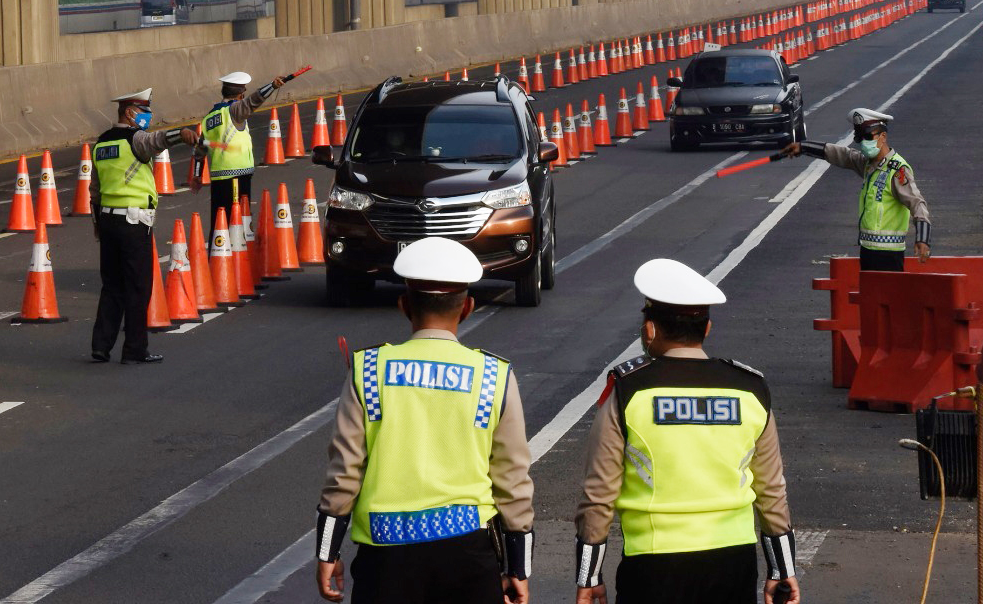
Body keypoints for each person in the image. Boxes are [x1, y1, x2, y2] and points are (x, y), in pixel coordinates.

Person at [315, 236, 533, 604]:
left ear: (404, 305)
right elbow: (512, 478)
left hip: (385, 555)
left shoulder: (369, 370)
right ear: (467, 308)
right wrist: (517, 567)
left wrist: (327, 551)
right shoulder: (493, 375)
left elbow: (344, 471)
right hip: (468, 554)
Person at [574, 258, 800, 604]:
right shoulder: (750, 389)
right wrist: (782, 570)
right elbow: (771, 490)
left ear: (649, 329)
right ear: (706, 330)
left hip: (653, 566)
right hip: (733, 562)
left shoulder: (629, 390)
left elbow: (599, 492)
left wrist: (588, 576)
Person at [90, 88, 200, 365]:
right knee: (138, 287)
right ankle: (135, 350)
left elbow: (95, 190)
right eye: (144, 111)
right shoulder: (134, 139)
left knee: (112, 285)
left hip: (107, 221)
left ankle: (101, 346)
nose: (148, 116)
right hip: (133, 222)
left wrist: (97, 225)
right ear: (129, 113)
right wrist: (182, 134)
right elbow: (157, 140)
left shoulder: (101, 144)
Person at [782, 107, 931, 271]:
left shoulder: (897, 170)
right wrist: (803, 147)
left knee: (886, 297)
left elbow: (917, 203)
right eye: (860, 137)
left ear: (883, 137)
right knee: (868, 296)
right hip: (867, 251)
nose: (863, 142)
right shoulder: (869, 165)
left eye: (868, 136)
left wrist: (922, 239)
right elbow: (843, 155)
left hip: (889, 255)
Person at [197, 71, 286, 232]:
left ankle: (216, 253)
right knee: (239, 221)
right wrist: (272, 86)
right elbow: (254, 101)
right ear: (241, 94)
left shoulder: (209, 117)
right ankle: (238, 254)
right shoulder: (234, 111)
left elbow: (200, 149)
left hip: (218, 175)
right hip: (237, 176)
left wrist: (197, 175)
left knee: (219, 221)